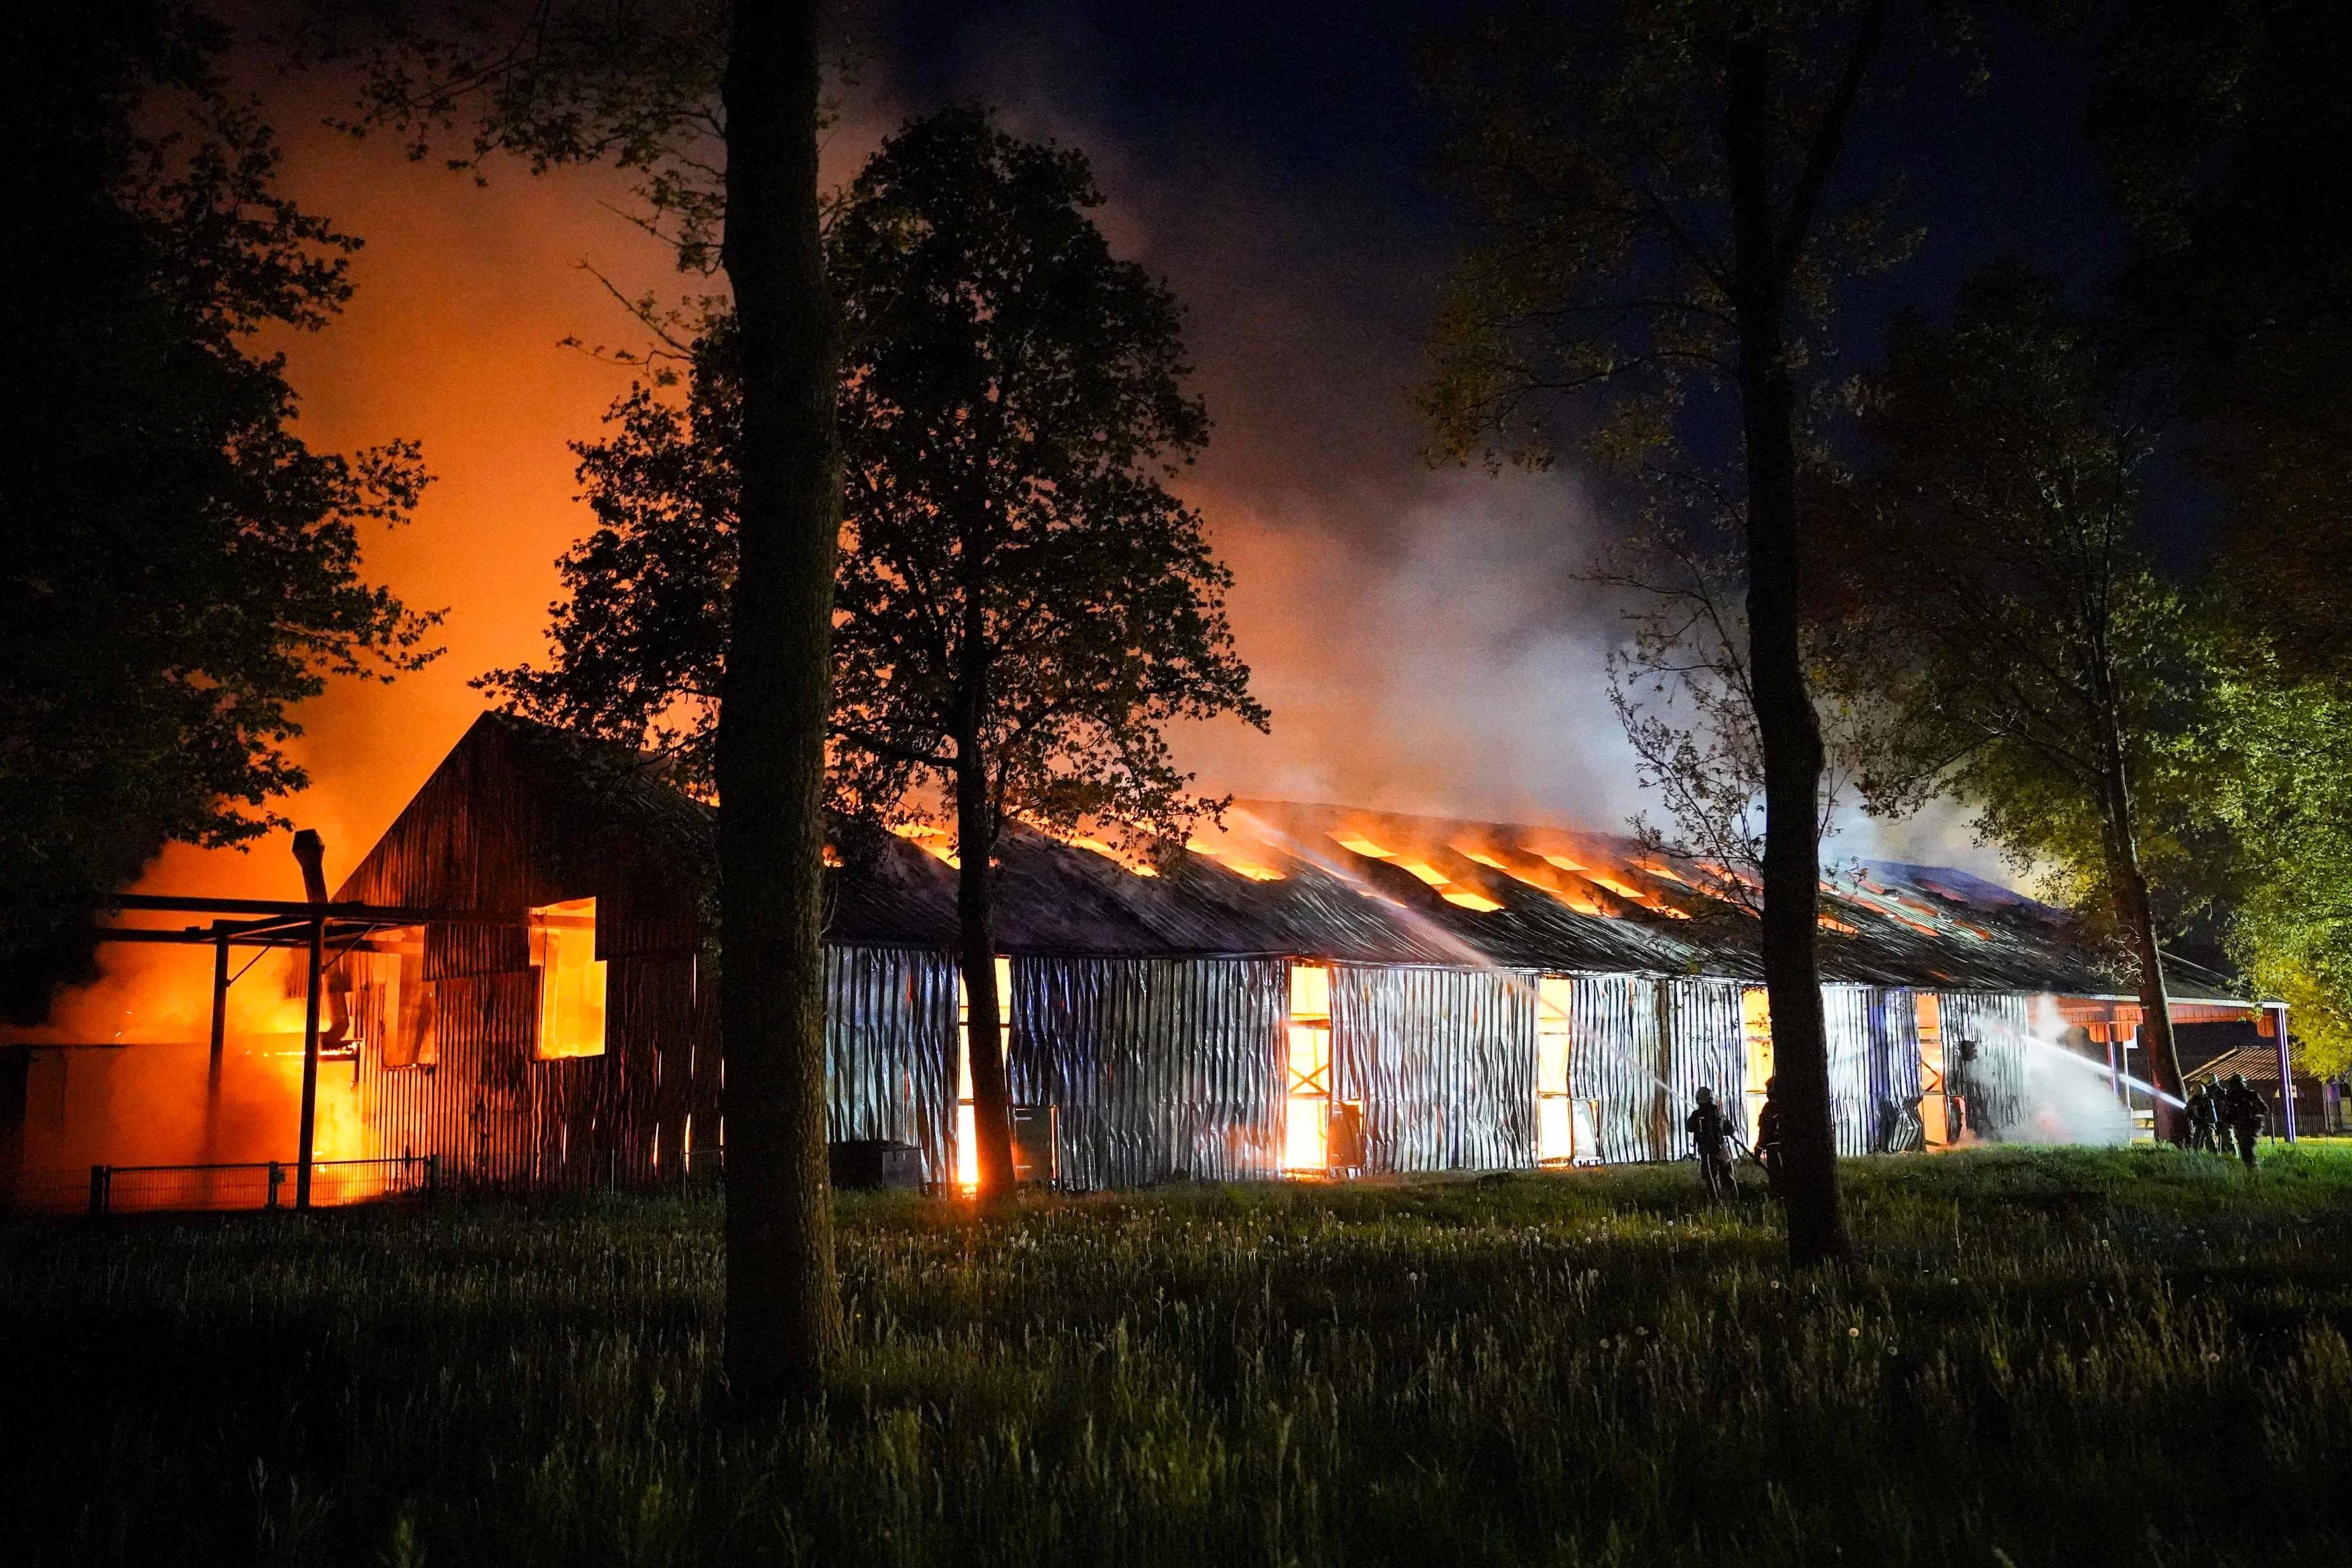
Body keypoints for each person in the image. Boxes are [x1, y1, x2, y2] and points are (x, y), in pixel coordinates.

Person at [1687, 1085, 1736, 1200]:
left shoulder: (1696, 1115)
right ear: (1711, 1098)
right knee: (1729, 1178)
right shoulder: (1718, 1112)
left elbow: (1689, 1127)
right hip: (1723, 1152)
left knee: (1712, 1180)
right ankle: (1733, 1201)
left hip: (1708, 1153)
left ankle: (1717, 1205)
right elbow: (1730, 1129)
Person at [2220, 1072, 2265, 1169]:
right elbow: (2226, 1113)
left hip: (2253, 1125)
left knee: (2248, 1147)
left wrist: (2251, 1112)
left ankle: (2255, 1170)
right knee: (2244, 1149)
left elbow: (2264, 1109)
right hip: (2240, 1126)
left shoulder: (2251, 1095)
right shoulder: (2230, 1098)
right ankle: (2251, 1170)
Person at [1753, 1076, 1784, 1199]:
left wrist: (1758, 1149)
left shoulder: (1769, 1109)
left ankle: (1778, 1200)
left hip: (1774, 1149)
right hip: (1786, 1147)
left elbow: (1766, 1130)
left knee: (1776, 1177)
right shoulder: (1788, 1107)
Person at [2185, 1076, 2218, 1154]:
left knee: (2196, 1145)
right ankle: (2216, 1158)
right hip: (2210, 1126)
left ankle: (2198, 1159)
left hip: (2201, 1126)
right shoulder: (2207, 1100)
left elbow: (2186, 1112)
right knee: (2211, 1144)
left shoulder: (2194, 1102)